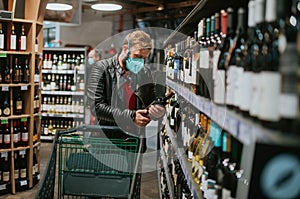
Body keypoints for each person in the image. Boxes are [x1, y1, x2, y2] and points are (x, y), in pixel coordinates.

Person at [87, 30, 166, 153]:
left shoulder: (144, 73)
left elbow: (150, 101)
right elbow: (96, 107)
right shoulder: (102, 69)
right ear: (125, 49)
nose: (141, 62)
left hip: (134, 142)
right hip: (107, 140)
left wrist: (157, 109)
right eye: (138, 57)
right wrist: (131, 116)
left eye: (144, 58)